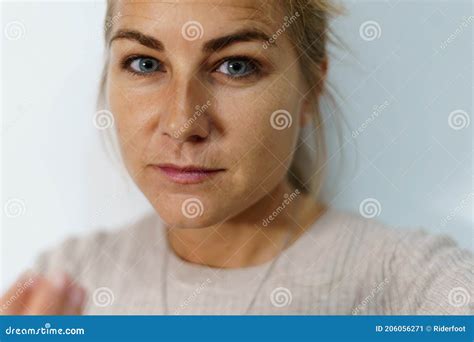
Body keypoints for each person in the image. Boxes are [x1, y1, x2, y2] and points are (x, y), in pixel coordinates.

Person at [1, 0, 472, 315]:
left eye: (236, 65)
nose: (184, 123)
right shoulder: (67, 283)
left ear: (311, 87)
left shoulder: (411, 284)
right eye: (145, 63)